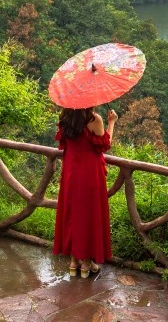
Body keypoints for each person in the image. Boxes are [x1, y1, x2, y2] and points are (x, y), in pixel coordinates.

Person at [52, 106, 118, 278]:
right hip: (90, 173)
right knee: (88, 215)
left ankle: (75, 261)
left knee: (74, 213)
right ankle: (87, 263)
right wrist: (111, 122)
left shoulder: (65, 117)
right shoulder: (94, 119)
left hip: (70, 172)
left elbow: (66, 144)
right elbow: (105, 144)